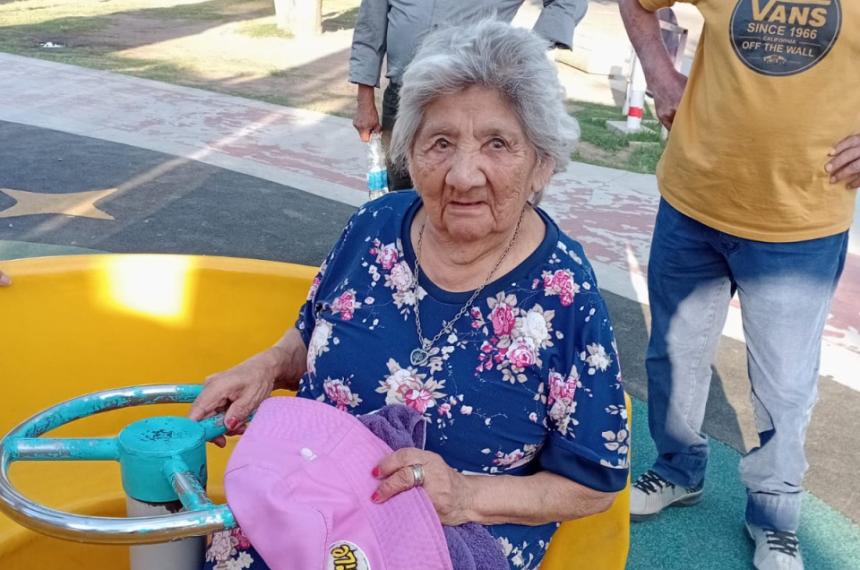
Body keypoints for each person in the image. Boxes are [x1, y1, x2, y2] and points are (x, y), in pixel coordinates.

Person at [193, 21, 629, 570]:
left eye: (498, 143)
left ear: (541, 161)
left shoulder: (564, 290)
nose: (464, 175)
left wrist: (465, 495)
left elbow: (593, 483)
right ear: (410, 151)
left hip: (446, 534)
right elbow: (313, 331)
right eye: (441, 143)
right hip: (310, 496)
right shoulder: (375, 225)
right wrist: (269, 364)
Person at [619, 1, 859, 569]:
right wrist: (660, 75)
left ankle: (774, 516)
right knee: (673, 355)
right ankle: (678, 469)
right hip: (693, 201)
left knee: (784, 386)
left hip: (799, 220)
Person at [350, 0, 588, 190]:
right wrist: (364, 100)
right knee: (401, 190)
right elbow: (370, 27)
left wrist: (529, 48)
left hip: (473, 104)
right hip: (402, 99)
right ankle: (404, 250)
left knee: (463, 190)